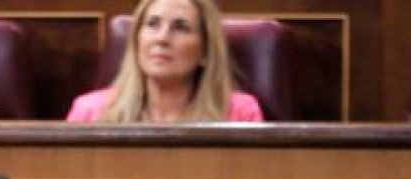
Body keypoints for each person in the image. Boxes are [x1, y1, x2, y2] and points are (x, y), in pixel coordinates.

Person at [66, 0, 263, 122]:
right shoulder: (89, 112)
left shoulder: (239, 113)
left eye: (180, 27)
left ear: (205, 51)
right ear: (136, 40)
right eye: (152, 24)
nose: (161, 38)